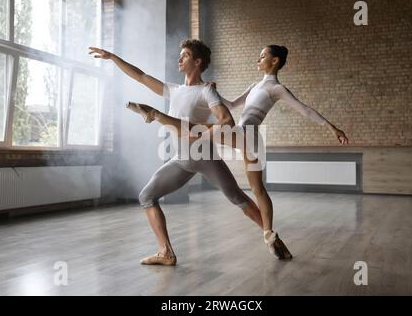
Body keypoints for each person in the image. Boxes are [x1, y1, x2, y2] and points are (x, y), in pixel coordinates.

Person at [124, 45, 349, 259]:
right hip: (241, 135)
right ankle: (271, 236)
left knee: (256, 189)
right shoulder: (254, 86)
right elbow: (230, 106)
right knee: (242, 187)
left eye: (262, 56)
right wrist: (212, 92)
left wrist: (331, 127)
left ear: (275, 61)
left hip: (248, 137)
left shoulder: (276, 88)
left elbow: (306, 110)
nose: (258, 59)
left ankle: (155, 115)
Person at [88, 40, 292, 266]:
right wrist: (113, 58)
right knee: (146, 197)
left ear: (197, 62)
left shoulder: (206, 91)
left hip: (205, 158)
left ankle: (270, 235)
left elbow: (227, 121)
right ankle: (166, 253)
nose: (179, 58)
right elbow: (140, 76)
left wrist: (200, 134)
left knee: (237, 197)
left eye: (184, 55)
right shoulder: (173, 90)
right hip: (181, 160)